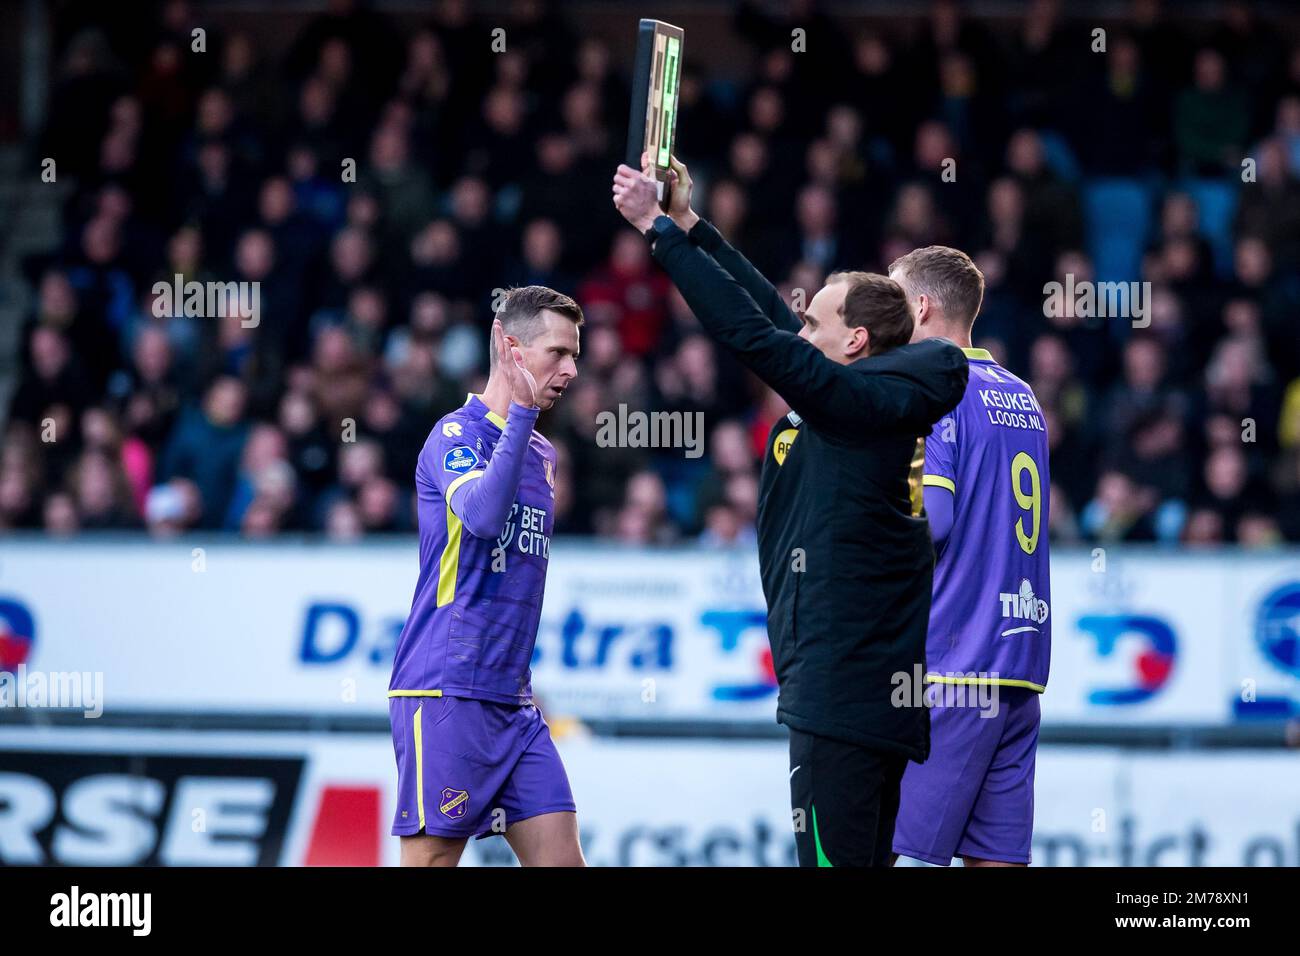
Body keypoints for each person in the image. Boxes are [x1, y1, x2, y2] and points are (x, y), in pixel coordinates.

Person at [613, 156, 968, 866]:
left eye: (817, 324)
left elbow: (750, 336)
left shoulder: (850, 406)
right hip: (861, 694)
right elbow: (770, 316)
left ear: (856, 342)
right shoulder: (851, 397)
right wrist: (688, 220)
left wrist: (657, 231)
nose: (799, 331)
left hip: (839, 694)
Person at [387, 285, 584, 866]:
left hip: (514, 702)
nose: (572, 370)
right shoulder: (454, 436)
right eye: (558, 353)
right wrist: (520, 413)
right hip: (446, 689)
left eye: (576, 355)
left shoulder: (543, 453)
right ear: (510, 347)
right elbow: (480, 517)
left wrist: (525, 423)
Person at [887, 246, 1052, 867]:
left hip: (956, 662)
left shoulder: (937, 389)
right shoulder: (1024, 396)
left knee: (899, 854)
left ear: (921, 306)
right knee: (996, 860)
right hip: (1021, 660)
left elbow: (937, 521)